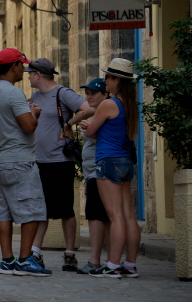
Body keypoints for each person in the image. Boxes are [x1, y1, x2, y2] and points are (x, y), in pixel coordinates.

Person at [0, 48, 51, 277]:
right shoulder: (14, 94)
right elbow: (29, 126)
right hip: (20, 161)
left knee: (4, 212)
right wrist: (35, 113)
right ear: (13, 67)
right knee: (32, 211)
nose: (24, 69)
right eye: (22, 65)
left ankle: (6, 260)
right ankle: (24, 260)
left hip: (0, 160)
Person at [25, 58, 96, 271]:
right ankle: (35, 252)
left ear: (39, 75)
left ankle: (70, 254)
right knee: (41, 210)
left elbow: (89, 109)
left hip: (59, 161)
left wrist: (68, 123)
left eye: (30, 73)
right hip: (39, 162)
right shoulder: (35, 96)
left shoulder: (62, 93)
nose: (28, 76)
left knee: (66, 210)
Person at [83, 58, 141, 278]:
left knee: (115, 216)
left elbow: (90, 133)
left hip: (108, 162)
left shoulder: (109, 103)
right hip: (125, 162)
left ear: (117, 80)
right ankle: (130, 264)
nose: (105, 80)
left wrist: (87, 126)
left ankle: (113, 264)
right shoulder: (128, 104)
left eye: (107, 76)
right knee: (128, 215)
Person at [76, 78, 111, 275]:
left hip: (99, 171)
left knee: (96, 215)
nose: (89, 96)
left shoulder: (106, 113)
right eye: (87, 93)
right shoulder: (97, 112)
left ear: (105, 95)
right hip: (93, 172)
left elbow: (108, 139)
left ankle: (95, 260)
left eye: (93, 93)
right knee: (101, 216)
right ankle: (107, 260)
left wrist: (89, 132)